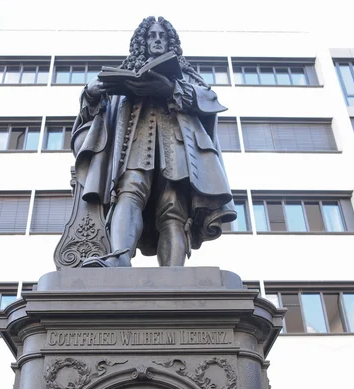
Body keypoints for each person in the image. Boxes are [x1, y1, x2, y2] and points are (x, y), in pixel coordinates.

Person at [71, 16, 236, 268]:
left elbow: (209, 99)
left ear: (170, 42)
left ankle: (174, 273)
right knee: (129, 191)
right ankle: (120, 258)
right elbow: (99, 111)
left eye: (162, 36)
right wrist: (91, 94)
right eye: (152, 36)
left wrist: (170, 89)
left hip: (178, 146)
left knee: (174, 208)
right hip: (134, 142)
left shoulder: (185, 75)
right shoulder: (126, 70)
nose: (157, 39)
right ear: (142, 42)